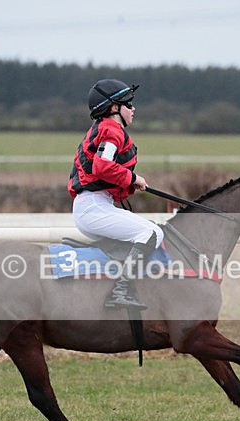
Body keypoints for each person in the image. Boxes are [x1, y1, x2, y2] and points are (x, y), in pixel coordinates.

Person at [68, 79, 164, 310]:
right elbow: (102, 166)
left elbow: (103, 167)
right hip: (93, 207)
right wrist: (133, 178)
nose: (133, 109)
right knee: (152, 233)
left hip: (95, 205)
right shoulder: (111, 130)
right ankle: (120, 290)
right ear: (114, 108)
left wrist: (129, 183)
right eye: (128, 104)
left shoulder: (105, 129)